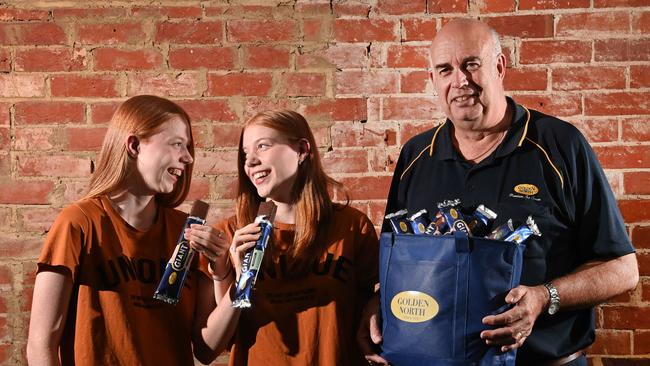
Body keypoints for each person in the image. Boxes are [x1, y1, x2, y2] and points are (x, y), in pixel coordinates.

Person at [360, 18, 639, 366]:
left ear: (500, 66)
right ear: (432, 80)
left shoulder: (560, 145)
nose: (460, 81)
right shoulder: (416, 157)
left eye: (471, 64)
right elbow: (395, 266)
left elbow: (623, 270)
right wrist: (378, 305)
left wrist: (544, 296)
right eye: (445, 69)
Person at [26, 95, 232, 365]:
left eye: (188, 147)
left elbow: (206, 350)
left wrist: (222, 270)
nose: (188, 157)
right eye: (176, 144)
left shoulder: (188, 231)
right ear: (134, 145)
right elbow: (41, 345)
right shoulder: (79, 223)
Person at [204, 109, 379, 365]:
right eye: (245, 154)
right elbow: (210, 348)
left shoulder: (352, 226)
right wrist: (240, 279)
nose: (250, 161)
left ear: (302, 150)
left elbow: (378, 300)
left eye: (262, 146)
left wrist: (377, 304)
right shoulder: (232, 236)